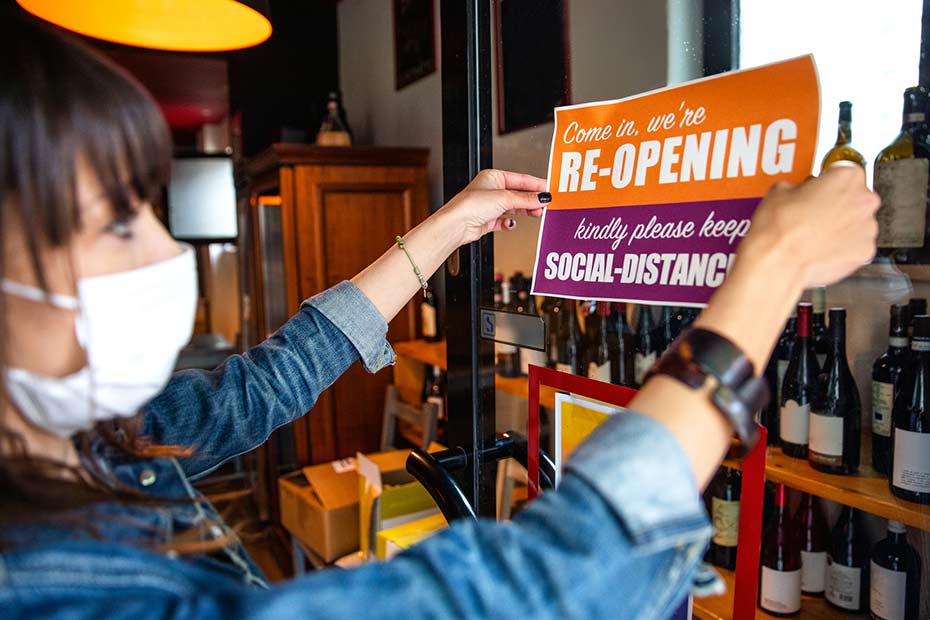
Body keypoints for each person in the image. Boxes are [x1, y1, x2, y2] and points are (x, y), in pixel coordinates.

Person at [0, 14, 879, 620]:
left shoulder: (99, 444)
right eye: (116, 218)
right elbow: (538, 587)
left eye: (151, 206)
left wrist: (450, 226)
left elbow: (273, 377)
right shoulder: (49, 590)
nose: (167, 252)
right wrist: (770, 269)